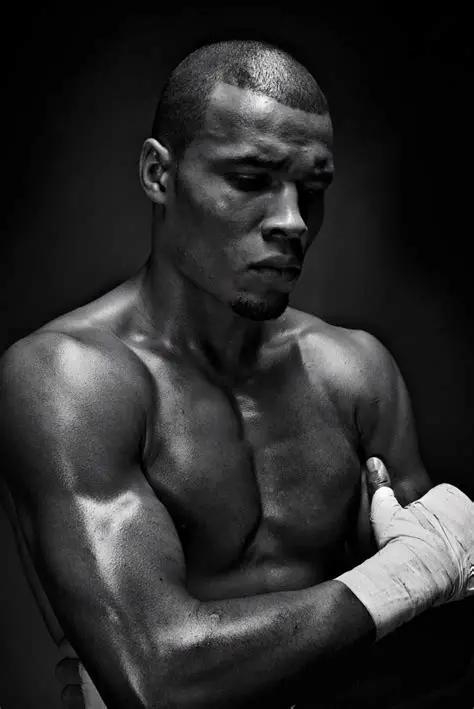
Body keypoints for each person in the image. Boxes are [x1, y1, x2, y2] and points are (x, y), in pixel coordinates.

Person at [0, 39, 473, 709]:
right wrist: (409, 577)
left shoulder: (356, 373)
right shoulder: (68, 381)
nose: (293, 221)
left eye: (313, 190)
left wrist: (418, 591)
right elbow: (156, 677)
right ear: (159, 175)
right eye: (251, 180)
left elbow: (445, 644)